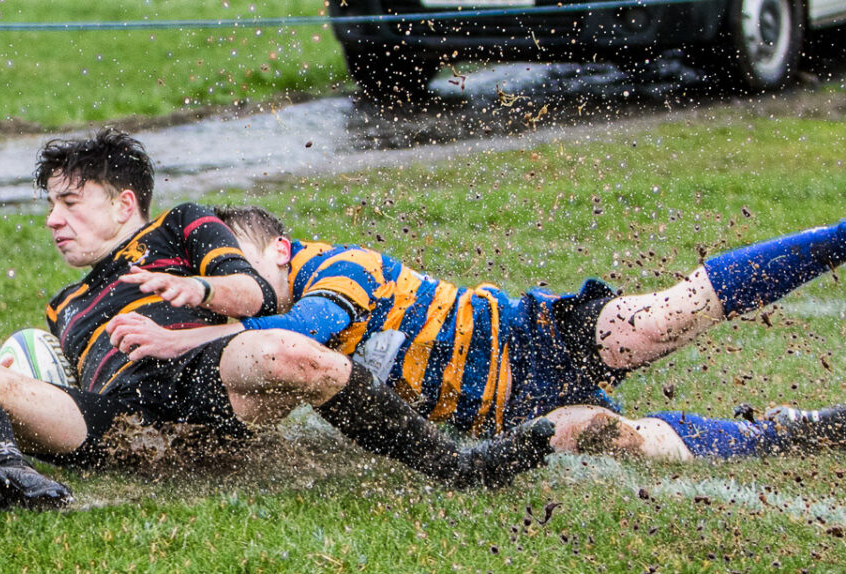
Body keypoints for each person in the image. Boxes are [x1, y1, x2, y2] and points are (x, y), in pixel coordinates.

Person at [0, 129, 555, 514]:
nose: (54, 219)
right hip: (112, 417)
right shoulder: (64, 304)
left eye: (70, 202)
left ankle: (458, 468)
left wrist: (192, 289)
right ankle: (5, 471)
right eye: (51, 204)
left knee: (288, 351)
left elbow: (252, 294)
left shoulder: (180, 224)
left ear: (123, 202)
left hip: (201, 374)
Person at [105, 205, 846, 461]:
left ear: (278, 252)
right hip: (511, 414)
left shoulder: (337, 267)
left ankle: (836, 237)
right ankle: (793, 431)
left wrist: (198, 338)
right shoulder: (272, 342)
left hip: (538, 337)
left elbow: (313, 326)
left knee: (658, 323)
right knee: (605, 439)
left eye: (241, 267)